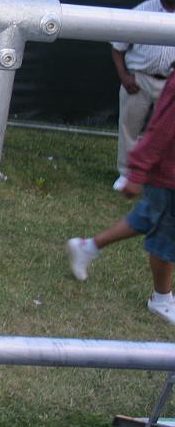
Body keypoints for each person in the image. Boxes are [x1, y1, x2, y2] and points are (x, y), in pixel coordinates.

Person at [67, 63, 175, 324]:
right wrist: (137, 173)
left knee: (147, 217)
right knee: (166, 238)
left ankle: (87, 247)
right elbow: (161, 129)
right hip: (168, 176)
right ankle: (161, 299)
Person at [110, 0, 175, 192]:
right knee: (130, 127)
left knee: (168, 132)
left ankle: (160, 176)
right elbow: (118, 46)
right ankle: (126, 174)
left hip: (170, 82)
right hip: (140, 79)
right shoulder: (143, 10)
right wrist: (124, 77)